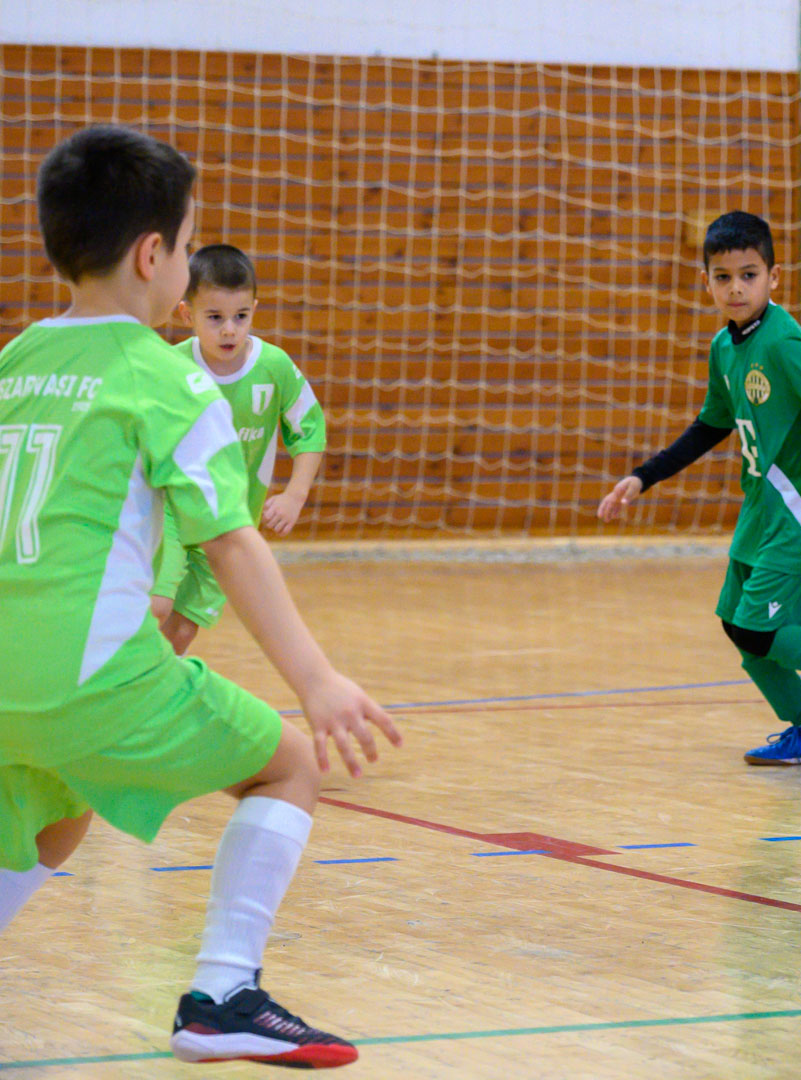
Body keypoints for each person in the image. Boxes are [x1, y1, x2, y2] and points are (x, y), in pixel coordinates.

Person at [0, 124, 401, 1067]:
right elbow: (230, 540)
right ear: (155, 257)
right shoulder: (168, 379)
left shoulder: (16, 363)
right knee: (285, 765)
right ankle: (223, 993)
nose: (186, 264)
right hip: (90, 677)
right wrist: (316, 678)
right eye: (187, 246)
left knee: (57, 806)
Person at [597, 211, 801, 764]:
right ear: (707, 282)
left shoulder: (785, 342)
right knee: (735, 624)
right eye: (723, 277)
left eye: (749, 275)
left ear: (774, 277)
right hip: (759, 511)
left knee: (758, 631)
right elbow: (710, 426)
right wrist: (643, 476)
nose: (736, 288)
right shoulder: (724, 347)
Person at [150, 243, 327, 655]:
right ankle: (115, 680)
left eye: (240, 316)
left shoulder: (274, 367)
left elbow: (310, 430)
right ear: (186, 314)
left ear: (254, 310)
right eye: (215, 317)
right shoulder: (169, 368)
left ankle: (149, 690)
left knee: (182, 632)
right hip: (171, 510)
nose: (229, 329)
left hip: (229, 522)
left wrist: (295, 495)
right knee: (157, 606)